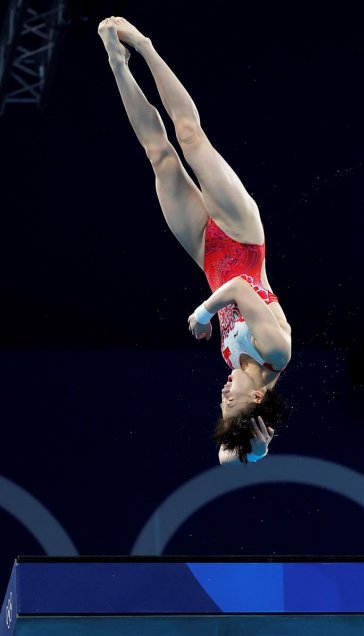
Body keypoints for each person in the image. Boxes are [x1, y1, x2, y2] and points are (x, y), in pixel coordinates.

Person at [99, 16, 291, 464]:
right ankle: (144, 46)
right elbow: (242, 289)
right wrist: (203, 312)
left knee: (160, 157)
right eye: (230, 400)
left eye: (220, 401)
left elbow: (229, 456)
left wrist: (253, 447)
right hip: (244, 238)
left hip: (208, 256)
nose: (223, 392)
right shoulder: (276, 352)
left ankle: (117, 62)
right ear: (258, 402)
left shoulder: (234, 361)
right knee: (189, 136)